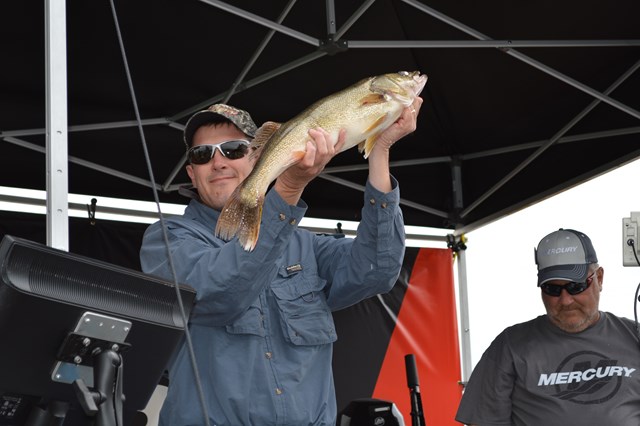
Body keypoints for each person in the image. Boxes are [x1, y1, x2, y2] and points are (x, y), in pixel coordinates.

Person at [140, 99, 423, 425]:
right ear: (192, 173)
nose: (218, 162)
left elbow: (376, 269)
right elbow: (219, 294)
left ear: (258, 156)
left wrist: (379, 149)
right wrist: (288, 188)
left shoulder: (304, 244)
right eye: (202, 154)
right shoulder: (168, 239)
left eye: (233, 149)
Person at [455, 228, 640, 426]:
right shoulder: (511, 345)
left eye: (576, 286)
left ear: (599, 278)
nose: (566, 300)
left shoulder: (634, 336)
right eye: (552, 289)